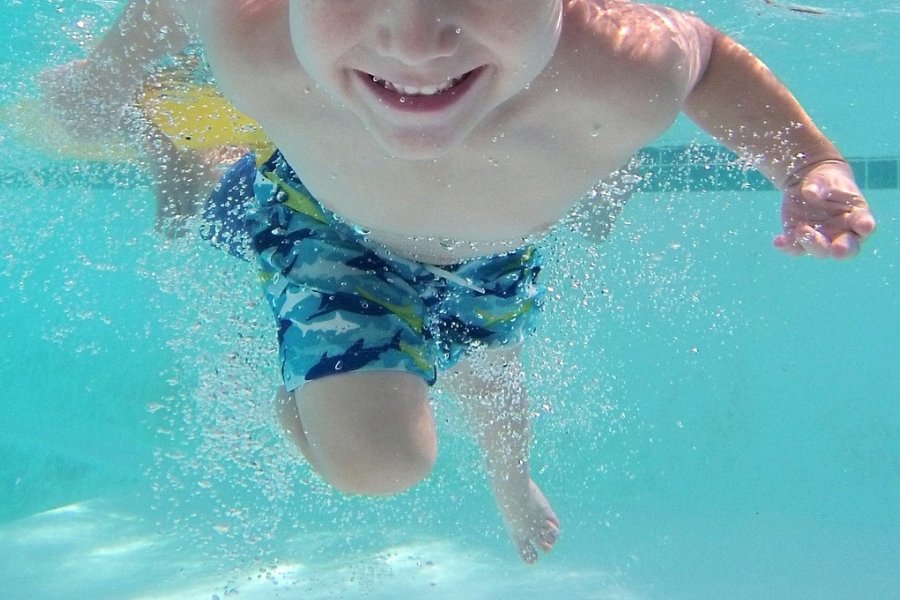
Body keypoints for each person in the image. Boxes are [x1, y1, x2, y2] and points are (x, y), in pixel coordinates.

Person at [38, 0, 876, 564]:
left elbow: (710, 60)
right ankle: (188, 177)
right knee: (379, 464)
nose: (413, 43)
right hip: (326, 233)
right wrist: (105, 78)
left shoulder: (623, 64)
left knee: (493, 378)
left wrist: (810, 163)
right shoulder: (253, 35)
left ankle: (510, 479)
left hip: (493, 257)